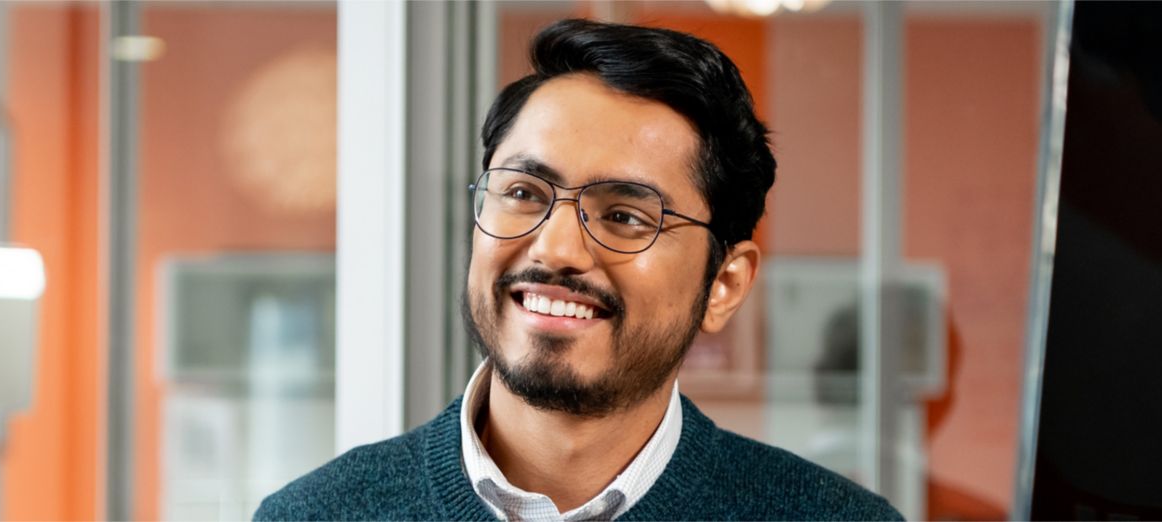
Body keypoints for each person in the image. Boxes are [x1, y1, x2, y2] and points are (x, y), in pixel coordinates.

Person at [256, 18, 900, 521]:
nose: (555, 249)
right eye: (524, 194)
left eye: (624, 215)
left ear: (724, 284)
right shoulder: (312, 514)